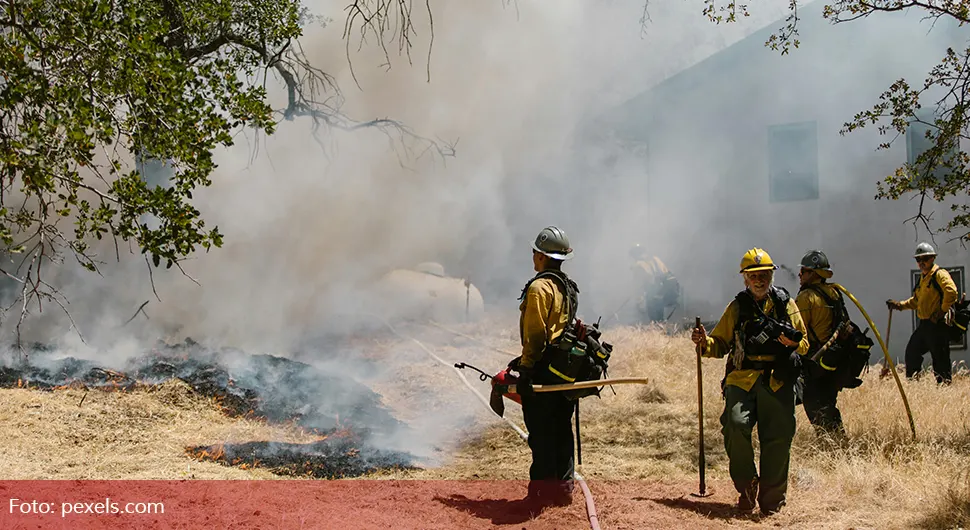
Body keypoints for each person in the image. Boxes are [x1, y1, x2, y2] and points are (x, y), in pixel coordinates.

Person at [691, 248, 809, 515]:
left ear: (771, 275)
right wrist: (703, 342)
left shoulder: (786, 304)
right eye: (753, 275)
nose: (759, 279)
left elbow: (804, 342)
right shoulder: (737, 307)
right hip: (742, 379)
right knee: (734, 425)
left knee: (778, 439)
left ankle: (772, 503)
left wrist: (794, 343)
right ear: (745, 278)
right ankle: (747, 485)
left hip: (778, 380)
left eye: (764, 274)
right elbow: (718, 343)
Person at [514, 225, 579, 506]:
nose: (532, 257)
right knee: (561, 427)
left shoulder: (539, 288)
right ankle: (563, 488)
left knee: (540, 432)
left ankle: (540, 493)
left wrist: (526, 369)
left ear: (541, 256)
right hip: (563, 370)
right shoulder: (566, 286)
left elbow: (537, 335)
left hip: (543, 370)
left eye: (534, 252)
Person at [794, 250, 848, 438]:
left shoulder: (806, 297)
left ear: (814, 273)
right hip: (833, 358)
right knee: (827, 401)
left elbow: (797, 330)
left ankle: (833, 444)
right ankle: (837, 441)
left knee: (814, 403)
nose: (800, 275)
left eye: (803, 271)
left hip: (815, 360)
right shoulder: (834, 292)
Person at [886, 242, 958, 384]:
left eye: (924, 259)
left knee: (940, 359)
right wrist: (899, 305)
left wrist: (941, 312)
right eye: (918, 260)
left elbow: (951, 292)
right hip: (924, 325)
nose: (921, 263)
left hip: (937, 325)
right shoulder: (923, 278)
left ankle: (944, 388)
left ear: (932, 258)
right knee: (912, 352)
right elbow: (916, 301)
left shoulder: (939, 274)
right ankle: (914, 386)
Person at [629, 243, 681, 323]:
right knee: (661, 315)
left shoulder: (638, 266)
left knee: (655, 318)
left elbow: (638, 287)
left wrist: (639, 303)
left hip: (655, 292)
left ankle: (658, 329)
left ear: (634, 255)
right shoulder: (655, 259)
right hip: (669, 289)